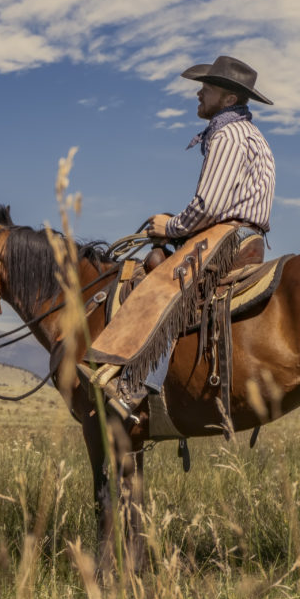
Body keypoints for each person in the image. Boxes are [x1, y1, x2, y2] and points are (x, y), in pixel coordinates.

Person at [84, 55, 276, 420]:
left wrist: (168, 227)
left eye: (208, 88)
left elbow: (209, 204)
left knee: (166, 283)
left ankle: (135, 386)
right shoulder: (247, 134)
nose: (199, 94)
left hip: (229, 235)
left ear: (229, 98)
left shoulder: (228, 134)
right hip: (243, 233)